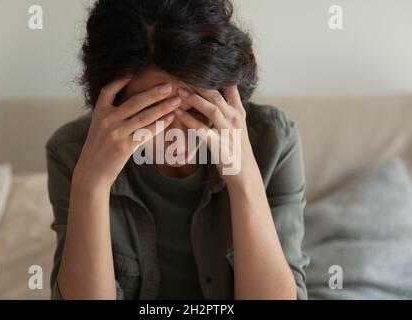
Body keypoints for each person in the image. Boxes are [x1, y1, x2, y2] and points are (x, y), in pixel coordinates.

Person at [46, 0, 309, 300]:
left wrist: (244, 178)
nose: (177, 136)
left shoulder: (273, 141)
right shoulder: (71, 152)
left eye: (196, 110)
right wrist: (90, 186)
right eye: (152, 114)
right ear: (112, 105)